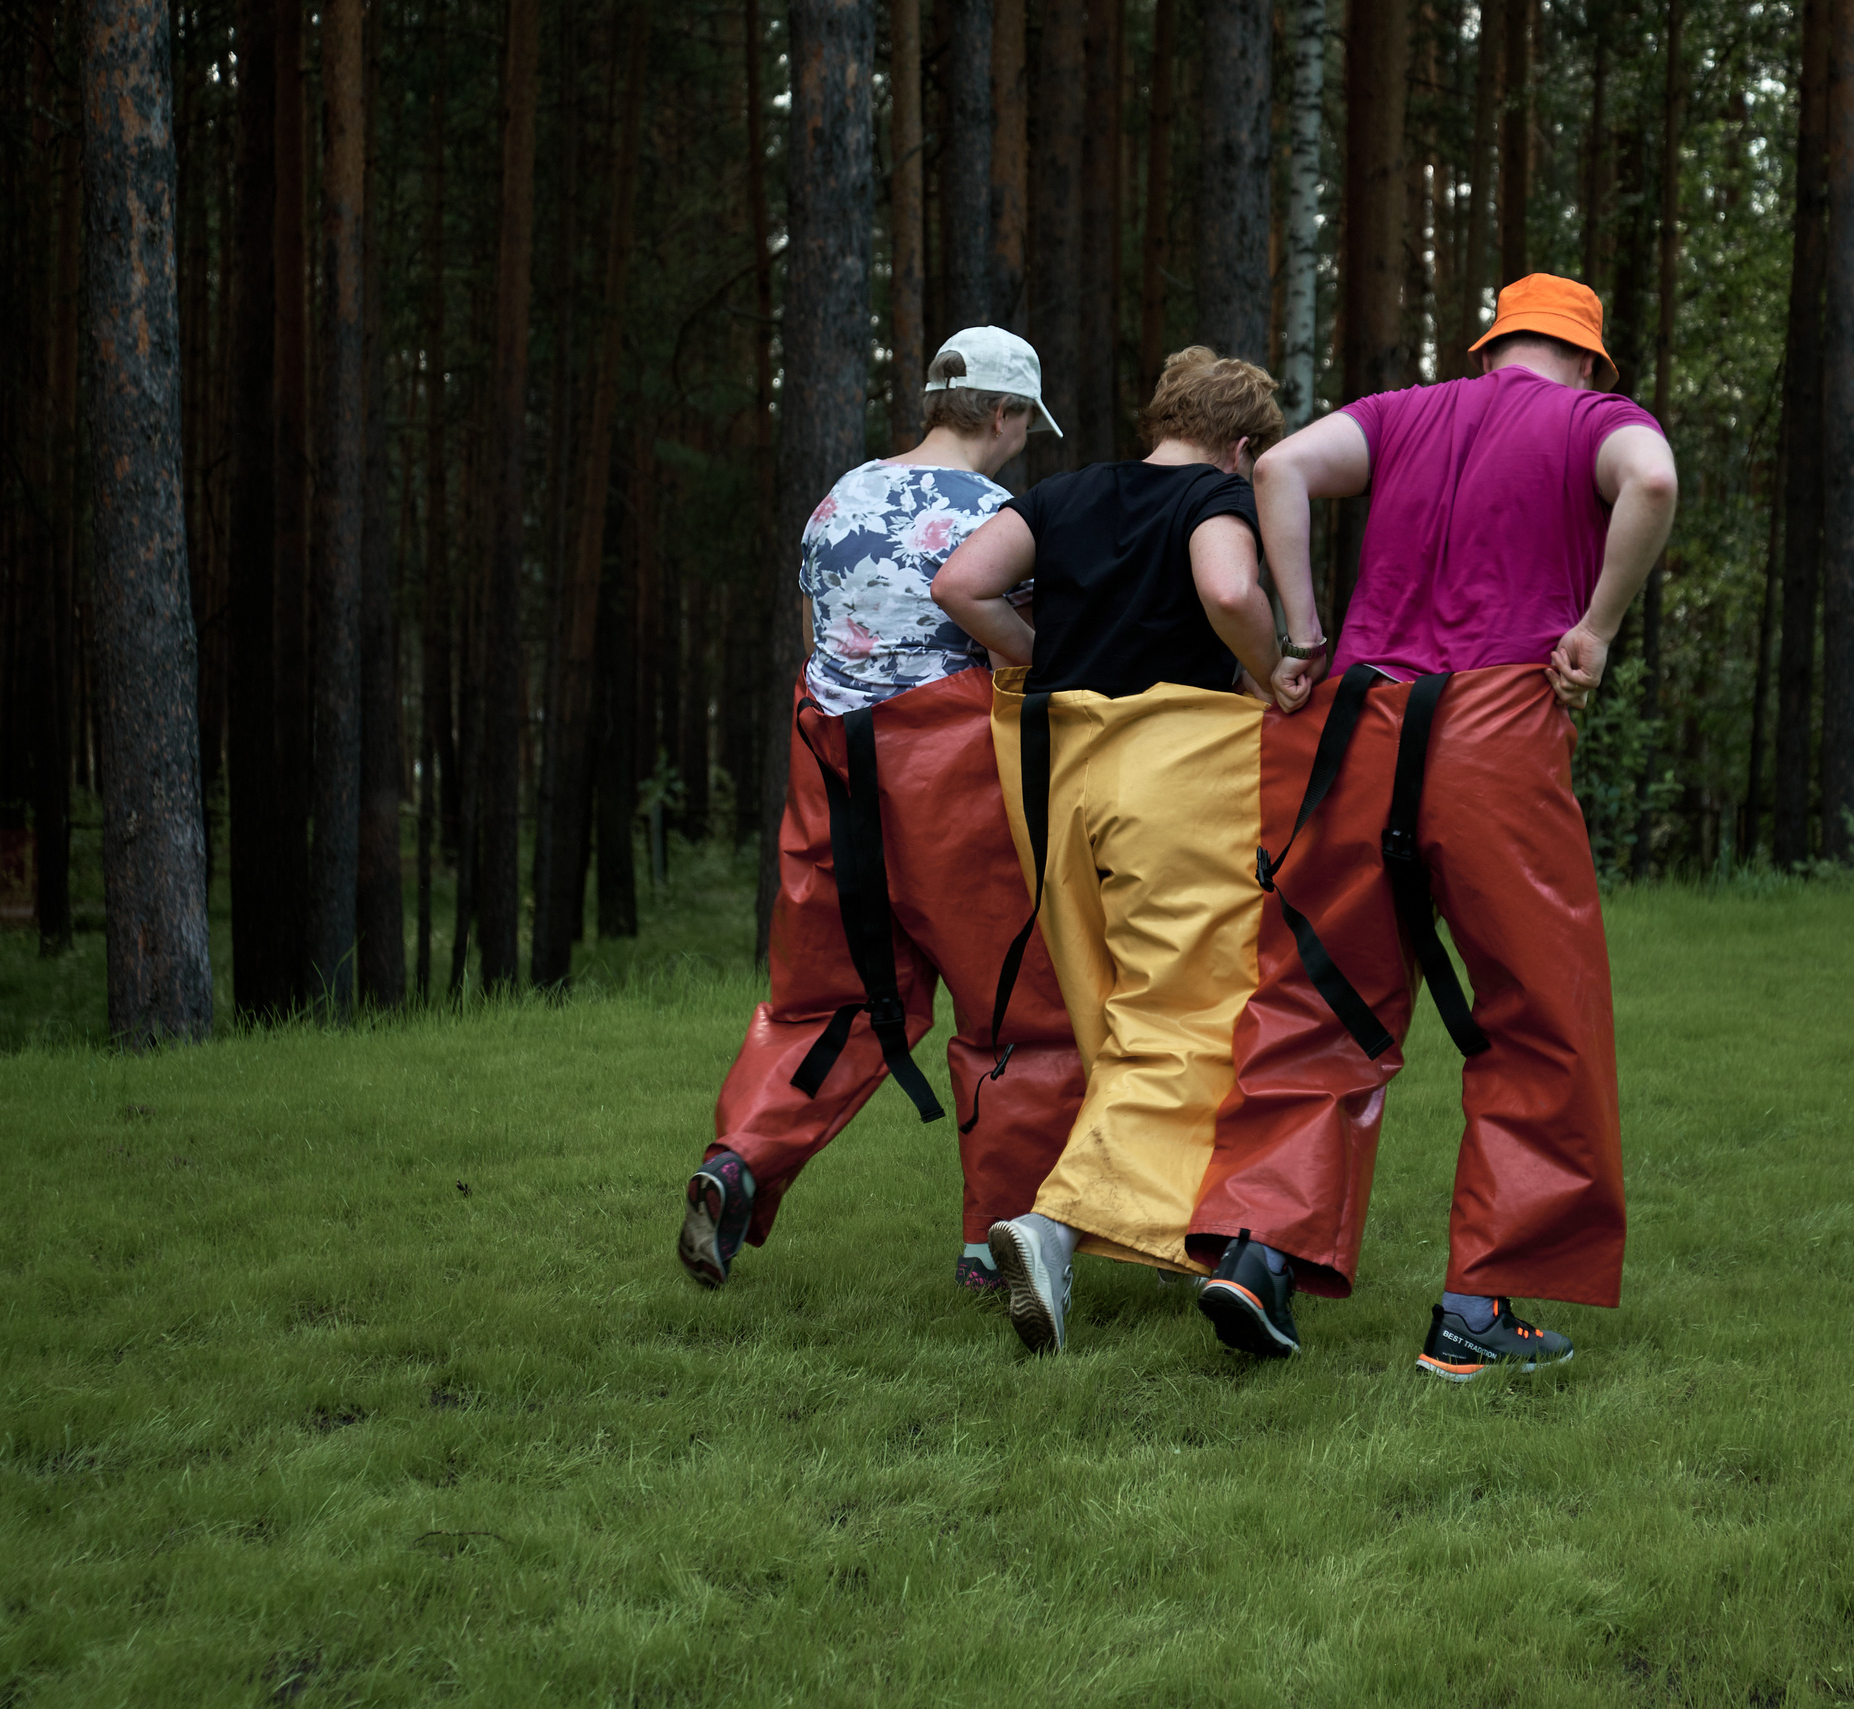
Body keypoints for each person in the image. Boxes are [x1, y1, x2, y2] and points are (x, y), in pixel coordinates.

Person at [1189, 273, 1679, 1375]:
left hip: (1354, 723)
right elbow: (1649, 480)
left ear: (1491, 345)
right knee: (1536, 1012)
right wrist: (1596, 627)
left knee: (1316, 990)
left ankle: (1259, 1246)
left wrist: (1303, 630)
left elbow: (1276, 467)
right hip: (1493, 732)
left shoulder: (1404, 411)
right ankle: (1474, 1313)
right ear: (1589, 359)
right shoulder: (1600, 421)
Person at [681, 328, 1088, 1295]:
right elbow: (1022, 650)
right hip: (953, 779)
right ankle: (998, 1249)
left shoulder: (839, 500)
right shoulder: (1002, 514)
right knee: (1015, 1016)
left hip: (830, 765)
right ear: (1003, 413)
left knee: (825, 1000)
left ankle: (738, 1161)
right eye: (1026, 420)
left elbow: (820, 640)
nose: (1026, 438)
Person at [933, 347, 1322, 1357]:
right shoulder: (1213, 499)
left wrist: (1043, 655)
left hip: (1064, 777)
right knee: (1191, 1007)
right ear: (1241, 447)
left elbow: (962, 582)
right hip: (1180, 780)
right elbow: (1229, 591)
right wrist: (1273, 664)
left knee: (1114, 1007)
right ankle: (1058, 1225)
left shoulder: (1062, 493)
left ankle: (1179, 1224)